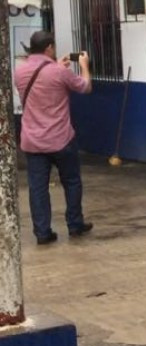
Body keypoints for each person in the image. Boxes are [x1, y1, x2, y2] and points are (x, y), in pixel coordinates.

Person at [14, 31, 94, 245]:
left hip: (32, 140)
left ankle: (42, 233)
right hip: (60, 139)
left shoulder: (20, 72)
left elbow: (42, 80)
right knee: (72, 181)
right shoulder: (59, 72)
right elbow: (85, 87)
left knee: (38, 187)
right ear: (49, 47)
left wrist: (56, 66)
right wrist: (84, 65)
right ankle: (75, 224)